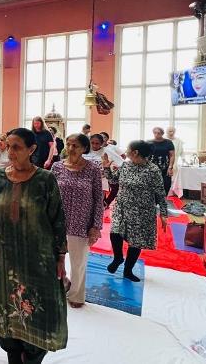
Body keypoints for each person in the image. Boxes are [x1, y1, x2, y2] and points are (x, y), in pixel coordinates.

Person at [0, 127, 67, 362]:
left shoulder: (45, 180)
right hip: (5, 258)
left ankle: (32, 356)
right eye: (8, 146)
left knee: (36, 313)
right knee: (9, 318)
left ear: (32, 149)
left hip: (38, 261)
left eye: (16, 147)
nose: (10, 152)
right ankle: (13, 353)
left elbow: (58, 219)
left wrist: (60, 257)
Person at [102, 141, 168, 282]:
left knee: (136, 241)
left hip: (142, 210)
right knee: (115, 232)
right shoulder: (126, 165)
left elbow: (160, 193)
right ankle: (118, 258)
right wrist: (107, 169)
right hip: (122, 206)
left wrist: (163, 213)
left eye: (128, 149)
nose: (126, 151)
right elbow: (114, 180)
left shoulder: (153, 170)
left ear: (135, 152)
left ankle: (128, 270)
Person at [51, 134, 103, 308]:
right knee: (53, 259)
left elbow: (98, 199)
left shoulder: (93, 169)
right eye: (68, 144)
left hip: (82, 224)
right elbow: (49, 195)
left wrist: (96, 226)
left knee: (78, 262)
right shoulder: (57, 166)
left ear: (84, 148)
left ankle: (76, 295)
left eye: (75, 145)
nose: (71, 148)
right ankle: (61, 284)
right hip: (56, 222)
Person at [148, 127, 175, 195]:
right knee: (152, 187)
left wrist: (170, 167)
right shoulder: (148, 142)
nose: (156, 135)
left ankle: (162, 201)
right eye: (155, 133)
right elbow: (145, 155)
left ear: (162, 134)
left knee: (166, 185)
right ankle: (153, 203)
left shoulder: (168, 142)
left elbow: (172, 155)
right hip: (151, 168)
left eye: (158, 133)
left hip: (165, 168)